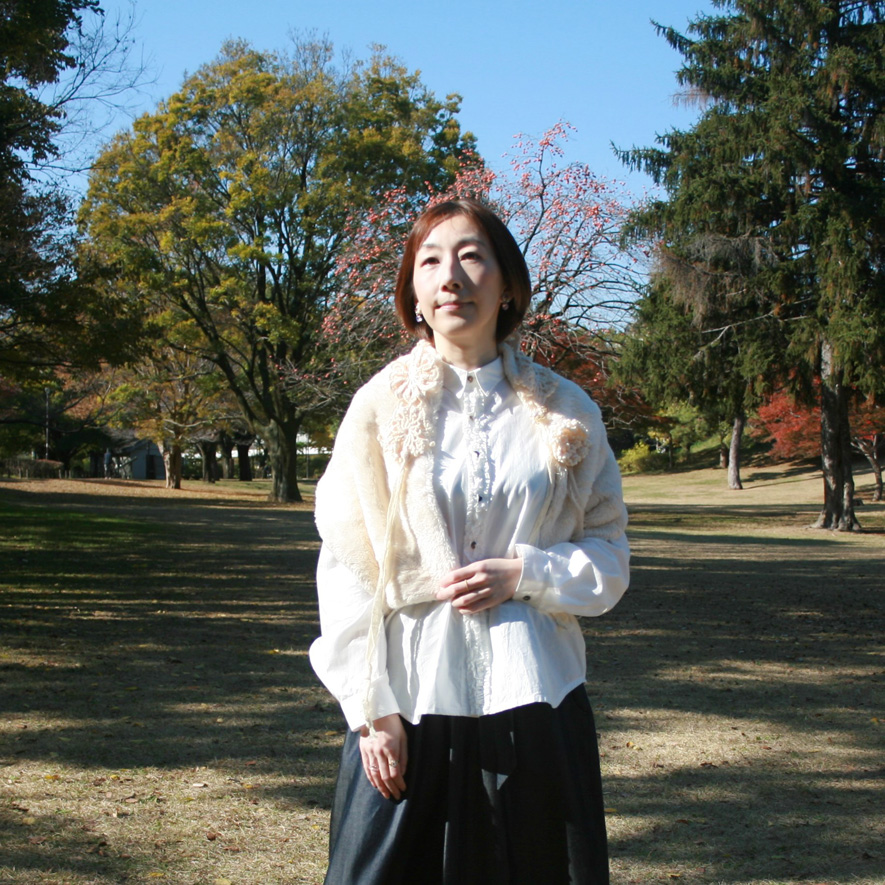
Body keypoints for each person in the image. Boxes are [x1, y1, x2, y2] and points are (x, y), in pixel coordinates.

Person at [310, 198, 629, 885]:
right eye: (429, 262)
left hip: (537, 700)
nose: (450, 276)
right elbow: (346, 568)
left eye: (470, 256)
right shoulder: (376, 408)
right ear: (414, 293)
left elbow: (609, 557)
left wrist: (526, 574)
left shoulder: (567, 410)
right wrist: (371, 708)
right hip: (410, 704)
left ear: (507, 285)